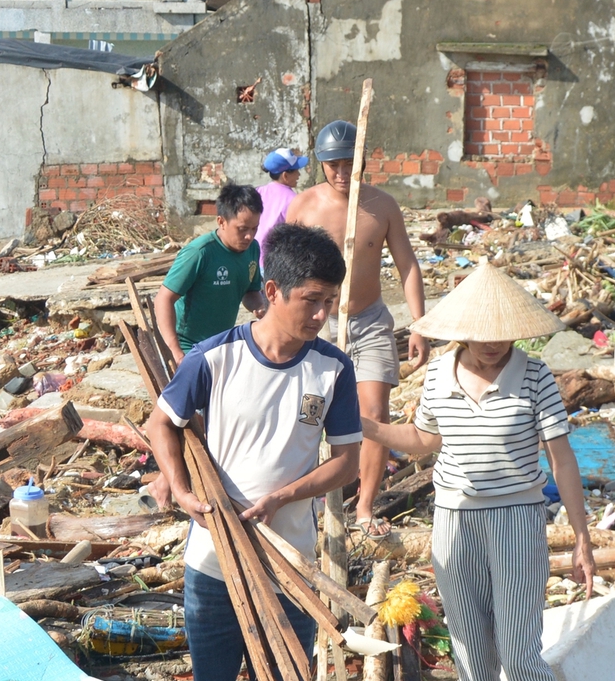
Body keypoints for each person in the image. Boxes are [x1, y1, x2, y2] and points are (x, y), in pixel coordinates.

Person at [143, 223, 362, 681]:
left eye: (330, 302)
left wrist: (285, 497)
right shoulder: (212, 359)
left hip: (288, 563)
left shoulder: (332, 369)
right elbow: (163, 423)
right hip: (214, 563)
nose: (322, 315)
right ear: (272, 290)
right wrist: (182, 490)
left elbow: (345, 460)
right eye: (311, 301)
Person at [359, 264, 600, 681]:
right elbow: (423, 439)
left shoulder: (536, 376)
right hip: (453, 520)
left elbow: (561, 461)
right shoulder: (439, 376)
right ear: (462, 331)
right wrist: (367, 426)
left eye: (503, 336)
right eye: (482, 337)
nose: (493, 346)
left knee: (519, 650)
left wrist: (581, 538)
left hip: (516, 518)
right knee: (468, 644)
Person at [284, 119, 428, 535]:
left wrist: (419, 325)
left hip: (369, 321)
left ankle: (364, 507)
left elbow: (408, 265)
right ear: (321, 165)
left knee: (374, 412)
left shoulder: (381, 206)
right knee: (311, 410)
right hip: (317, 323)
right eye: (334, 165)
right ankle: (309, 498)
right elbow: (283, 265)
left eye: (351, 164)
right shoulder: (304, 207)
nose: (343, 173)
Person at [155, 183, 266, 363]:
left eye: (254, 228)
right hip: (188, 346)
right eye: (242, 229)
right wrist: (175, 351)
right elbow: (163, 299)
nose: (249, 236)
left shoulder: (252, 249)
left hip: (219, 345)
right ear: (221, 222)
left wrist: (260, 307)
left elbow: (250, 291)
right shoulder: (199, 253)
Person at [254, 148, 307, 253]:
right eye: (296, 170)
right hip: (273, 259)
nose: (299, 175)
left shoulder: (258, 192)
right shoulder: (294, 200)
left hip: (252, 255)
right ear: (285, 176)